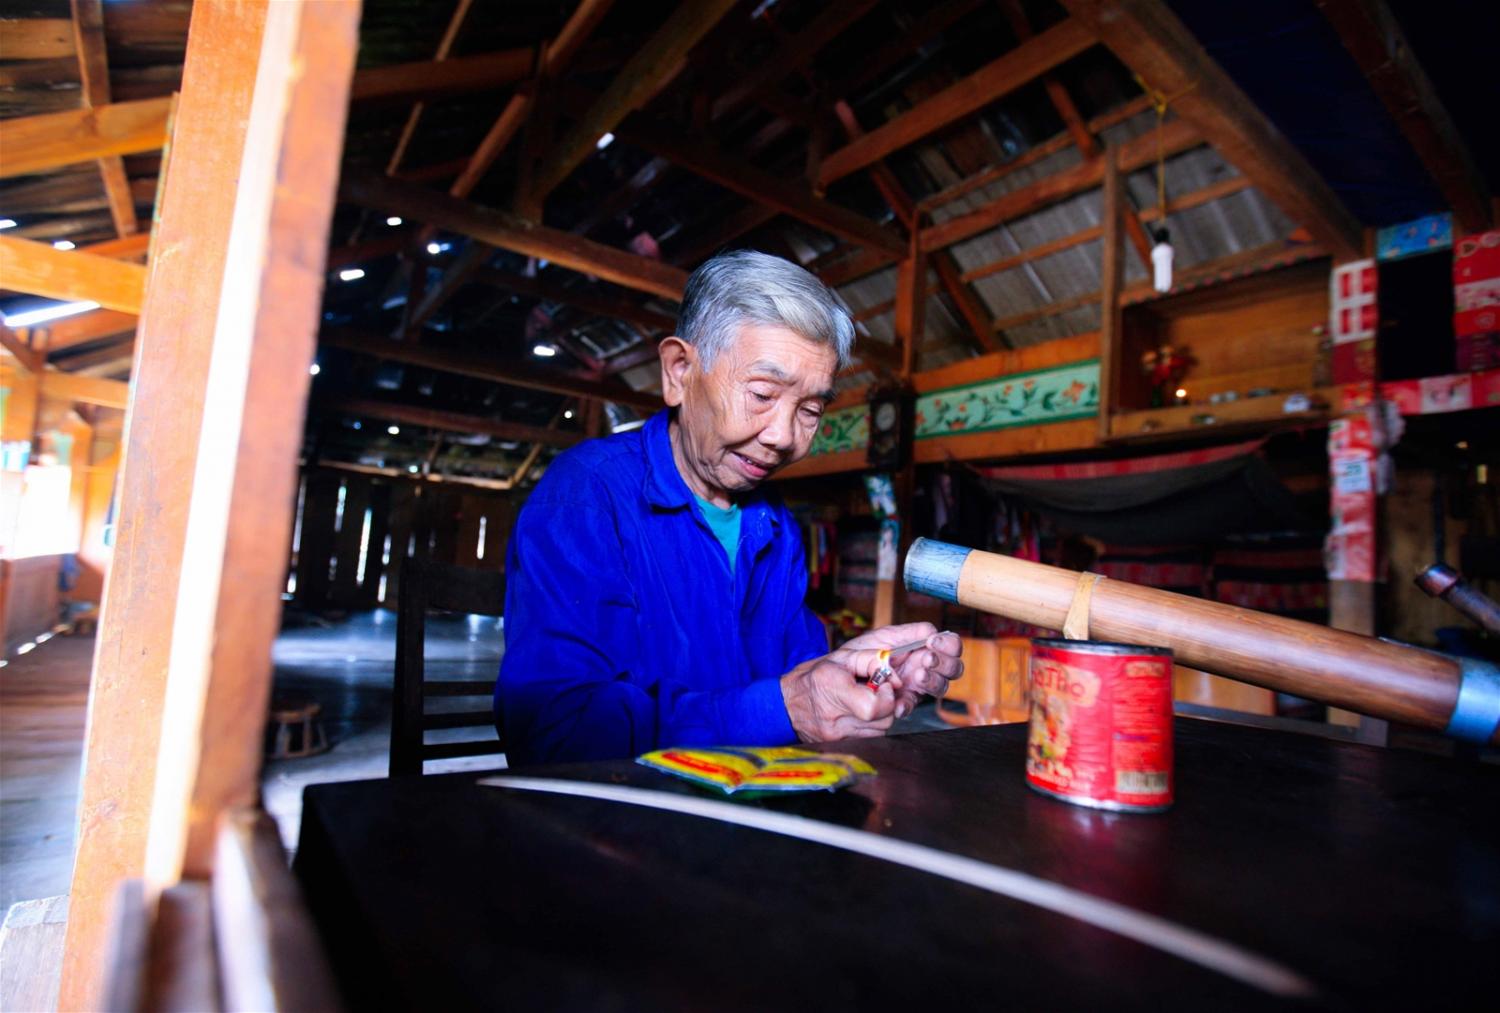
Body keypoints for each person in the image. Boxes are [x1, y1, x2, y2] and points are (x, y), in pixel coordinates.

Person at [495, 250, 964, 764]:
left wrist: (857, 673)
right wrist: (783, 709)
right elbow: (552, 732)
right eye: (762, 394)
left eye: (810, 410)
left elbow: (796, 684)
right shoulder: (586, 496)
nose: (783, 437)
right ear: (679, 372)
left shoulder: (774, 525)